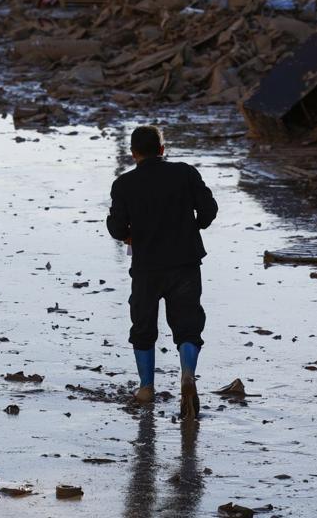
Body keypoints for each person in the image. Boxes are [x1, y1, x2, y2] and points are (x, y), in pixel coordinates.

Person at [106, 125, 217, 421]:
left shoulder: (124, 184)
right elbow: (209, 209)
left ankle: (146, 387)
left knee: (143, 326)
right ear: (163, 150)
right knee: (188, 324)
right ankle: (188, 375)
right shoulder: (185, 173)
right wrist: (194, 227)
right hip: (186, 262)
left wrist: (130, 235)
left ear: (133, 154)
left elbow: (116, 227)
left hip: (147, 268)